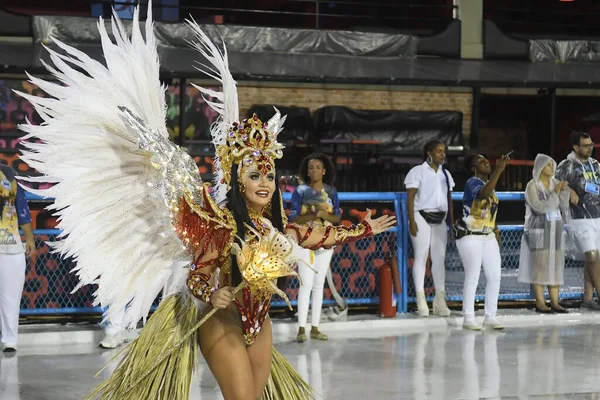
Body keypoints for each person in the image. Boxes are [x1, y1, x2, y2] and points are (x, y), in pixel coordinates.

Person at [17, 5, 396, 399]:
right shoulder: (220, 224)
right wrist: (210, 293)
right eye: (254, 176)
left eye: (268, 175)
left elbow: (319, 235)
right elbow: (199, 273)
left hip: (259, 323)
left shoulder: (279, 229)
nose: (264, 182)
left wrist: (365, 228)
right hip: (222, 319)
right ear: (237, 182)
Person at [289, 153, 341, 342]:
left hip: (326, 242)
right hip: (306, 242)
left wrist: (323, 215)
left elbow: (337, 217)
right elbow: (293, 217)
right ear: (307, 171)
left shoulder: (331, 191)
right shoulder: (300, 192)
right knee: (306, 284)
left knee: (319, 286)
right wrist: (311, 216)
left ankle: (315, 327)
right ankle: (301, 328)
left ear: (324, 170)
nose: (314, 170)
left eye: (318, 167)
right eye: (311, 167)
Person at [454, 153, 509, 330]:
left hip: (488, 236)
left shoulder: (489, 186)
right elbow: (482, 195)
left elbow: (489, 212)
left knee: (494, 276)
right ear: (473, 168)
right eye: (480, 161)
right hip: (470, 236)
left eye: (487, 159)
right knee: (473, 276)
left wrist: (496, 229)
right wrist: (499, 170)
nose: (486, 162)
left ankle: (490, 316)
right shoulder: (473, 182)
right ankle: (468, 317)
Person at [405, 140, 454, 317]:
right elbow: (410, 198)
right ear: (429, 153)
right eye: (439, 151)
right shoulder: (418, 172)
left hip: (440, 218)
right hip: (421, 215)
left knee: (439, 259)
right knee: (422, 255)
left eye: (444, 151)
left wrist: (451, 222)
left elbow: (449, 199)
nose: (443, 154)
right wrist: (412, 220)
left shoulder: (446, 174)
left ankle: (440, 299)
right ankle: (420, 298)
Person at [518, 154, 570, 313]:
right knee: (539, 265)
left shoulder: (556, 183)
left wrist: (564, 191)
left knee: (555, 265)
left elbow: (563, 205)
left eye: (552, 164)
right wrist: (554, 193)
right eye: (548, 165)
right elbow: (539, 207)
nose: (551, 167)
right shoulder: (532, 186)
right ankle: (540, 302)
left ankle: (555, 301)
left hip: (556, 227)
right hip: (539, 229)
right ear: (540, 167)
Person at [555, 131, 600, 310]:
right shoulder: (567, 165)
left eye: (591, 145)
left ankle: (588, 299)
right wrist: (569, 191)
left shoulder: (595, 165)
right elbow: (554, 184)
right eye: (586, 145)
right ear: (575, 147)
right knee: (591, 255)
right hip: (579, 217)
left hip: (597, 215)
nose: (590, 148)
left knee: (596, 258)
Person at [0, 164, 35, 353]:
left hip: (10, 247)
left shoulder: (9, 175)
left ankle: (9, 339)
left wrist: (29, 238)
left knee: (10, 297)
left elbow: (22, 209)